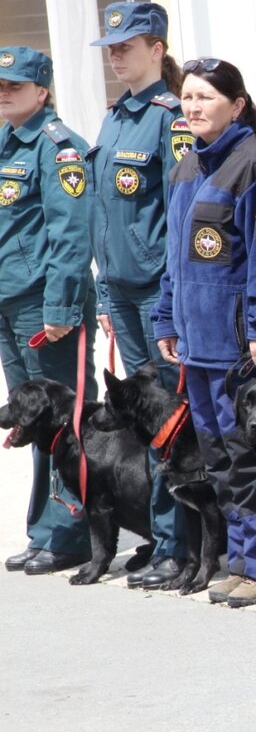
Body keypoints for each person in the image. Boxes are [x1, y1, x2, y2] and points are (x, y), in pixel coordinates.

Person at [150, 58, 256, 606]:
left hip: (235, 346)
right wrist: (167, 316)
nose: (193, 107)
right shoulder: (187, 166)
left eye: (205, 97)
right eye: (187, 98)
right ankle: (237, 557)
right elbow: (174, 257)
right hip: (195, 343)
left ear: (236, 105)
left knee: (245, 454)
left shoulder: (253, 162)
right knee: (218, 458)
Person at [89, 1, 189, 590]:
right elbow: (104, 211)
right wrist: (103, 291)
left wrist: (167, 292)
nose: (117, 56)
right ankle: (160, 535)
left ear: (157, 49)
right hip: (121, 292)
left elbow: (178, 211)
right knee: (142, 421)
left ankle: (179, 544)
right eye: (111, 48)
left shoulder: (169, 115)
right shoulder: (115, 117)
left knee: (169, 420)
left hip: (155, 290)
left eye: (127, 45)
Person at [0, 45, 94, 575]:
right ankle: (43, 531)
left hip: (44, 307)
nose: (4, 93)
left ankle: (71, 531)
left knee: (65, 421)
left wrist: (60, 306)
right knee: (31, 422)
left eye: (14, 85)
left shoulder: (58, 149)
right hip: (10, 303)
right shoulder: (6, 144)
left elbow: (70, 235)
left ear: (42, 91)